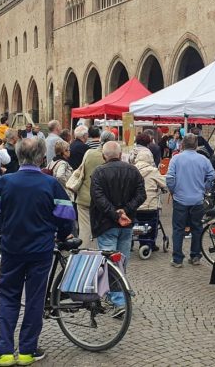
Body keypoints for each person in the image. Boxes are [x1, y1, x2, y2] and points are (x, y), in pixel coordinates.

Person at [0, 137, 75, 366]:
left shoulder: (6, 181)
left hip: (12, 248)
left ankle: (5, 352)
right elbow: (67, 216)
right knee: (35, 299)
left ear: (18, 156)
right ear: (42, 158)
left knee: (8, 297)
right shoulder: (50, 184)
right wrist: (61, 235)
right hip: (41, 250)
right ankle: (28, 351)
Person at [90, 140, 146, 317]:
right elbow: (141, 195)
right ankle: (119, 292)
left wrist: (116, 213)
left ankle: (118, 299)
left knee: (111, 262)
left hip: (107, 223)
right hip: (125, 222)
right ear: (120, 154)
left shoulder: (99, 172)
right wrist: (125, 211)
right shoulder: (132, 170)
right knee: (121, 261)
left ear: (104, 156)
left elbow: (98, 198)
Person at [166, 134, 215, 267]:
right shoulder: (203, 159)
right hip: (197, 200)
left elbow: (170, 178)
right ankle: (195, 256)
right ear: (196, 145)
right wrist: (205, 188)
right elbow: (212, 176)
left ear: (182, 144)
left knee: (178, 229)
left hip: (180, 199)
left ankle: (177, 259)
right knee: (197, 228)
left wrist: (173, 190)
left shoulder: (176, 159)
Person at [70, 130, 115, 247]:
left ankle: (82, 255)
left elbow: (82, 171)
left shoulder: (89, 153)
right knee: (105, 230)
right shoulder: (112, 158)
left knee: (84, 231)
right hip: (104, 200)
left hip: (85, 197)